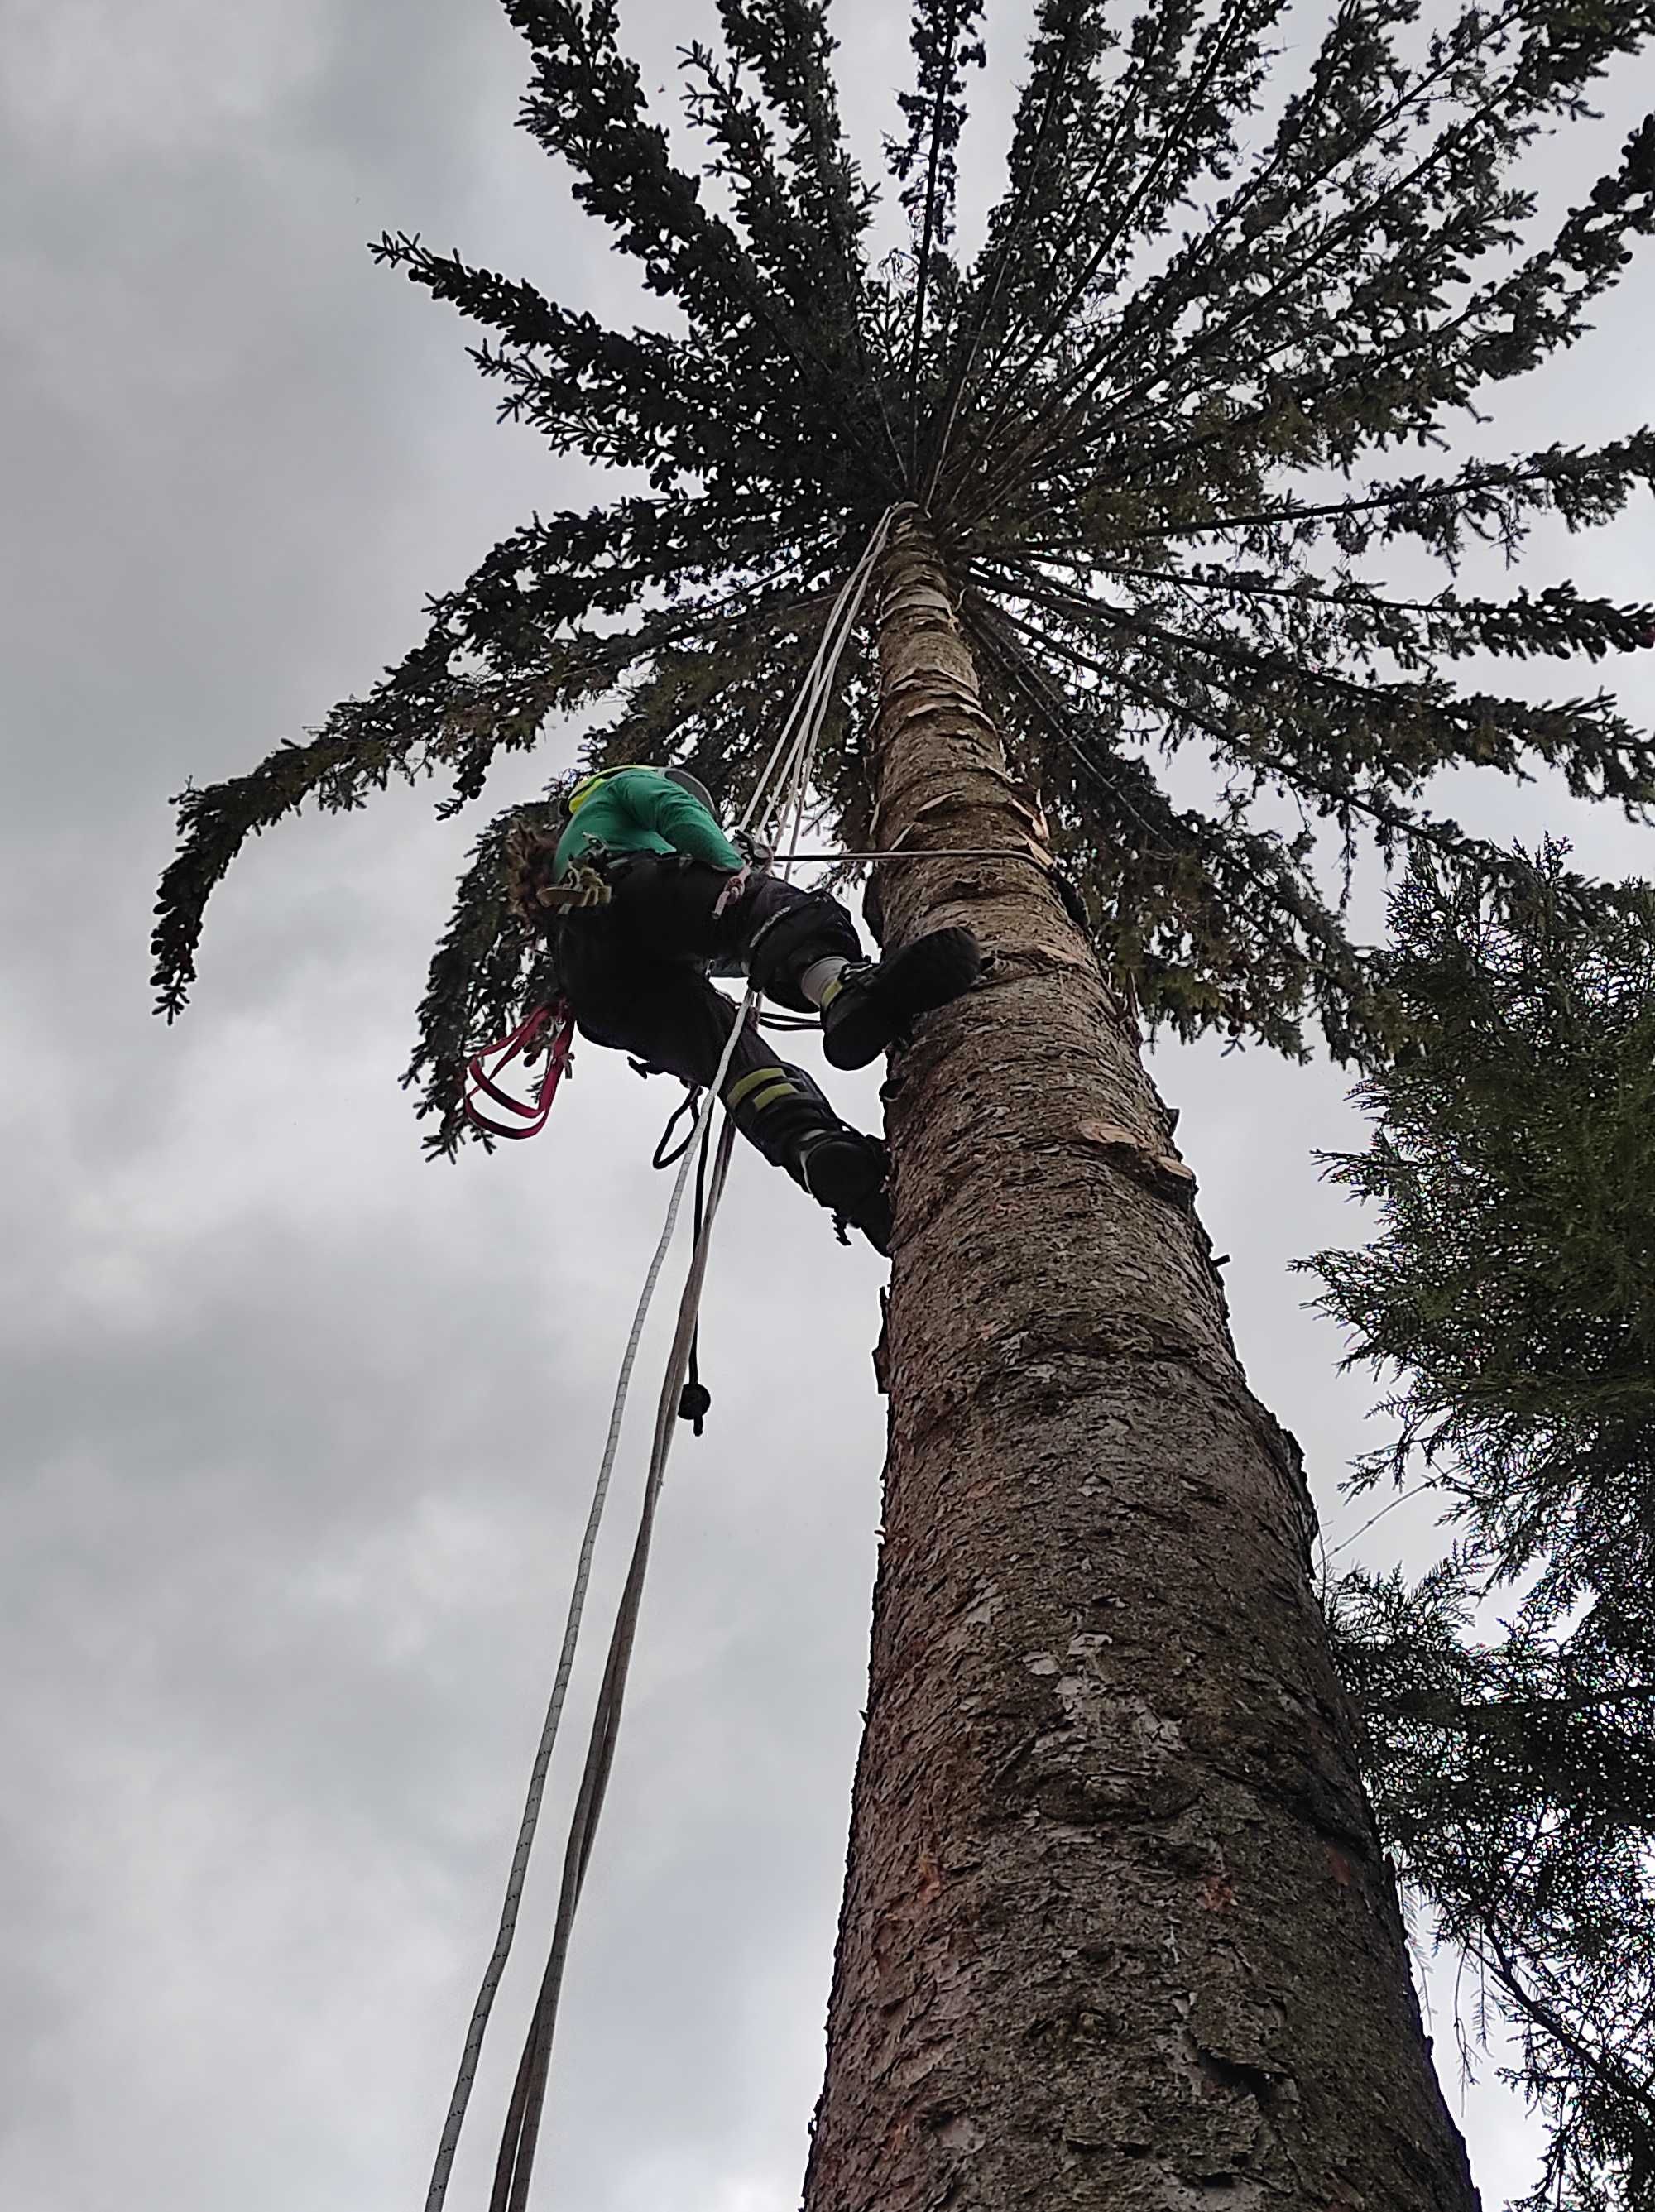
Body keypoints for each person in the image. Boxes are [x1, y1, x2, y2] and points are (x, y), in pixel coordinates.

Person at [509, 764, 981, 1252]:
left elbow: (722, 945)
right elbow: (674, 812)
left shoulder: (575, 886)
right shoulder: (620, 790)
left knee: (736, 1060)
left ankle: (815, 1147)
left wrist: (731, 888)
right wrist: (730, 865)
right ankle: (841, 988)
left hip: (604, 994)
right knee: (778, 911)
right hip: (627, 893)